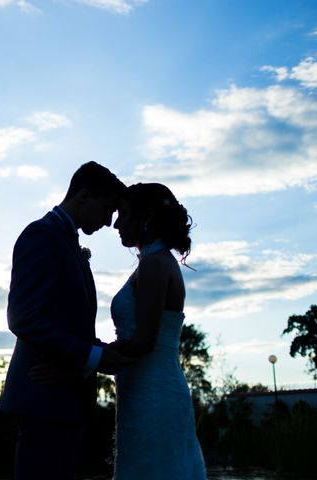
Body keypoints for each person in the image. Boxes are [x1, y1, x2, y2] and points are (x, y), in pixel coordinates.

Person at [0, 161, 132, 480]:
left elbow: (72, 324)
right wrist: (95, 356)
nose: (109, 221)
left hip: (65, 396)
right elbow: (24, 316)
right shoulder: (41, 235)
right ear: (84, 196)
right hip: (42, 395)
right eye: (107, 209)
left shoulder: (67, 242)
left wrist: (98, 355)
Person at [111, 182, 206, 479]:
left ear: (147, 215)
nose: (116, 223)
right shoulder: (154, 262)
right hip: (146, 390)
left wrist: (88, 355)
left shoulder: (155, 265)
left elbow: (143, 342)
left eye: (124, 214)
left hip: (153, 396)